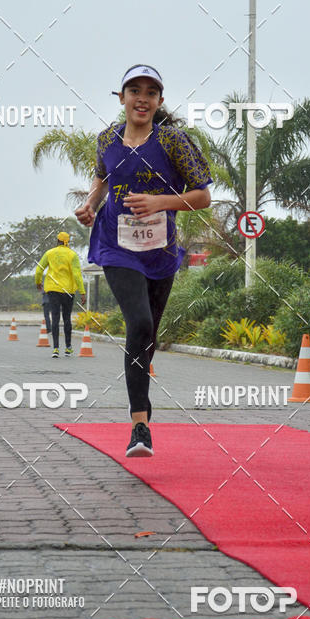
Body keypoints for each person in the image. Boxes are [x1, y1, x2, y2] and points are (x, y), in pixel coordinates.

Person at [76, 64, 212, 456]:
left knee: (146, 337)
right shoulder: (107, 139)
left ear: (159, 100)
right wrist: (90, 204)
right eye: (134, 90)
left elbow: (202, 196)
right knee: (138, 323)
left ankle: (141, 403)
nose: (142, 98)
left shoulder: (173, 142)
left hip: (160, 252)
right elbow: (103, 178)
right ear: (122, 97)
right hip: (115, 245)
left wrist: (159, 202)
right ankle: (140, 426)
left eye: (150, 93)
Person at [35, 232, 86, 356]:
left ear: (57, 240)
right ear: (68, 242)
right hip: (68, 291)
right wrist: (82, 292)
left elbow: (39, 269)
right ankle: (68, 347)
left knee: (55, 317)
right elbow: (77, 275)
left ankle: (56, 349)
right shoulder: (72, 255)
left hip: (53, 289)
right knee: (67, 318)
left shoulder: (49, 253)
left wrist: (38, 282)